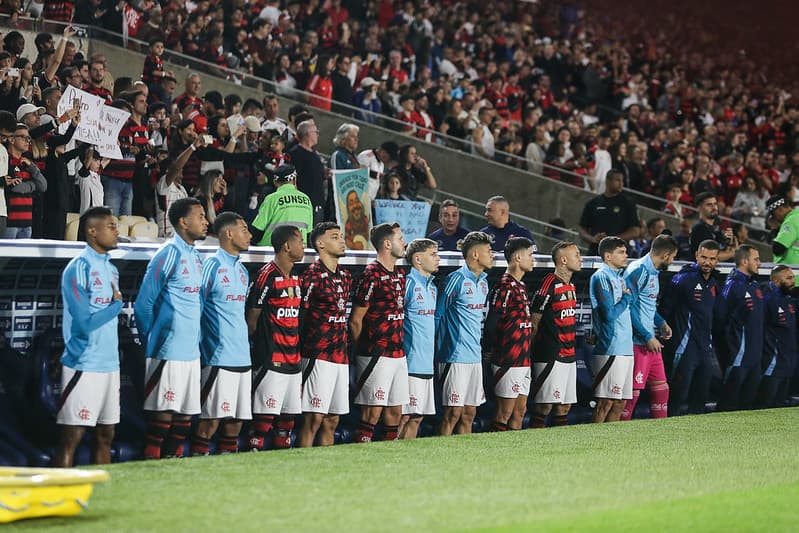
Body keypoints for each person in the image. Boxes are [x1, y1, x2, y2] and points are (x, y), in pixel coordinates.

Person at [134, 198, 208, 459]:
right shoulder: (167, 254)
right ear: (183, 222)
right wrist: (153, 341)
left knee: (185, 419)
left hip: (191, 352)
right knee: (161, 420)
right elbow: (143, 305)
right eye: (200, 216)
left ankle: (172, 469)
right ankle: (151, 468)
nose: (206, 221)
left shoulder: (197, 257)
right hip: (167, 350)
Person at [54, 207, 123, 467]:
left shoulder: (112, 270)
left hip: (110, 365)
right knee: (72, 436)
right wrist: (116, 307)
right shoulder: (77, 268)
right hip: (83, 363)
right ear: (92, 231)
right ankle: (59, 497)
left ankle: (100, 494)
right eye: (111, 226)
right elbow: (82, 324)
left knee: (106, 435)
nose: (117, 231)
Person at [188, 213, 252, 456]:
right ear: (228, 234)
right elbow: (197, 309)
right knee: (210, 422)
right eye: (244, 230)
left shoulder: (244, 272)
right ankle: (196, 468)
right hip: (218, 357)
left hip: (243, 357)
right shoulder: (211, 266)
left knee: (235, 423)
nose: (250, 235)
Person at [246, 225, 305, 450]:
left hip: (294, 359)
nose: (303, 245)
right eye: (300, 240)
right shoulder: (266, 276)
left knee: (287, 423)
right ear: (287, 246)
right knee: (263, 422)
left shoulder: (296, 278)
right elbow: (252, 319)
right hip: (271, 359)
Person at [349, 222, 409, 443]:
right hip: (375, 353)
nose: (404, 243)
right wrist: (361, 349)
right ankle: (361, 457)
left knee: (395, 412)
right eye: (400, 238)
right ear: (387, 243)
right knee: (372, 412)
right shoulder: (371, 274)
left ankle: (389, 459)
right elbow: (356, 320)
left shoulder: (400, 274)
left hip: (398, 353)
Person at [296, 222, 353, 447]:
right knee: (313, 418)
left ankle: (325, 467)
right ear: (320, 244)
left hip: (340, 356)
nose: (341, 240)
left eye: (341, 236)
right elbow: (301, 315)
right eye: (335, 237)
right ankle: (303, 464)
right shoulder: (312, 275)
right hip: (317, 355)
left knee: (332, 420)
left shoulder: (346, 276)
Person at [436, 231, 492, 436]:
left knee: (469, 413)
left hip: (474, 357)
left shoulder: (484, 281)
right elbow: (437, 315)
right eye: (488, 251)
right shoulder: (455, 279)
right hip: (454, 356)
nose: (492, 255)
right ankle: (442, 455)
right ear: (475, 254)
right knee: (453, 412)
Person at [659, 240, 720, 416]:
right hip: (683, 348)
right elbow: (665, 309)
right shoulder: (683, 279)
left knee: (701, 396)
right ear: (696, 256)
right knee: (678, 395)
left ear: (717, 260)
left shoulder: (713, 283)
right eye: (704, 257)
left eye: (712, 258)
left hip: (705, 348)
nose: (707, 262)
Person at [620, 234, 678, 421]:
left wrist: (661, 322)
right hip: (637, 343)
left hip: (649, 342)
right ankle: (617, 437)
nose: (673, 260)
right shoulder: (638, 270)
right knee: (632, 394)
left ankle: (659, 435)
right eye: (673, 257)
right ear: (666, 255)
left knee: (662, 389)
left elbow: (647, 305)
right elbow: (627, 307)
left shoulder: (653, 271)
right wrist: (647, 336)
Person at [529, 241, 582, 428]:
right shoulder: (549, 283)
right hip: (550, 354)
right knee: (544, 406)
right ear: (563, 259)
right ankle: (534, 444)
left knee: (565, 406)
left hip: (569, 354)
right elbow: (534, 321)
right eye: (576, 254)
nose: (580, 258)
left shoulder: (571, 287)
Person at [484, 237, 534, 431]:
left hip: (524, 359)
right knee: (504, 412)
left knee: (520, 411)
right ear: (518, 257)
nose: (533, 260)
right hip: (508, 359)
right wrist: (490, 349)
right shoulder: (504, 286)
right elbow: (492, 323)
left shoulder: (521, 286)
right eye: (530, 255)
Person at [589, 236, 634, 423]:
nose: (626, 255)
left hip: (626, 348)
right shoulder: (601, 277)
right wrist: (625, 298)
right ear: (608, 256)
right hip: (610, 347)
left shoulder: (620, 278)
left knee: (620, 402)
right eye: (621, 252)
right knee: (605, 402)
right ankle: (593, 444)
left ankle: (610, 445)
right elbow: (608, 314)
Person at [716, 244, 764, 412]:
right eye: (756, 259)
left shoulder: (755, 286)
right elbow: (720, 321)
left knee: (748, 406)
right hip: (737, 357)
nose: (760, 263)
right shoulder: (732, 285)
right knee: (729, 405)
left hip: (754, 357)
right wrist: (730, 349)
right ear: (744, 261)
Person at [399, 238, 439, 439]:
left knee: (417, 416)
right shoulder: (408, 284)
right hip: (409, 362)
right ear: (417, 259)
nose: (438, 258)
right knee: (403, 416)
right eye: (433, 254)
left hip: (426, 363)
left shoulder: (432, 288)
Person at [757, 265, 797, 408]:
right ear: (775, 281)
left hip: (787, 361)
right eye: (789, 278)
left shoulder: (789, 299)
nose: (793, 281)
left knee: (781, 405)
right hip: (772, 362)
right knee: (766, 405)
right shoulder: (767, 299)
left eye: (793, 277)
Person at [578, 170, 640, 256]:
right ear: (608, 181)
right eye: (617, 180)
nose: (621, 183)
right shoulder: (593, 203)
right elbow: (582, 229)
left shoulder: (628, 203)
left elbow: (635, 231)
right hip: (596, 252)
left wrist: (613, 239)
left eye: (622, 180)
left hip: (619, 253)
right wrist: (592, 239)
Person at [251, 165, 313, 247]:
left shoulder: (272, 199)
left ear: (275, 182)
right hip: (299, 249)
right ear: (294, 179)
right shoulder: (306, 199)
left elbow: (258, 228)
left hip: (272, 249)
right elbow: (309, 232)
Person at [287, 120, 326, 224]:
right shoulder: (295, 154)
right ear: (308, 134)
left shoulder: (315, 155)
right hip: (302, 205)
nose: (317, 135)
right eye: (315, 132)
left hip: (317, 204)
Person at [688, 192, 736, 262]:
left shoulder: (716, 227)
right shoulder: (699, 228)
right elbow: (712, 256)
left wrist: (729, 243)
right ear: (699, 208)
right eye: (709, 205)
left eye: (715, 204)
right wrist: (734, 253)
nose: (714, 207)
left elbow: (723, 250)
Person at [767, 195, 799, 280]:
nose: (774, 218)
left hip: (793, 277)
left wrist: (774, 229)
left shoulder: (790, 221)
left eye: (773, 214)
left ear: (780, 209)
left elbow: (778, 249)